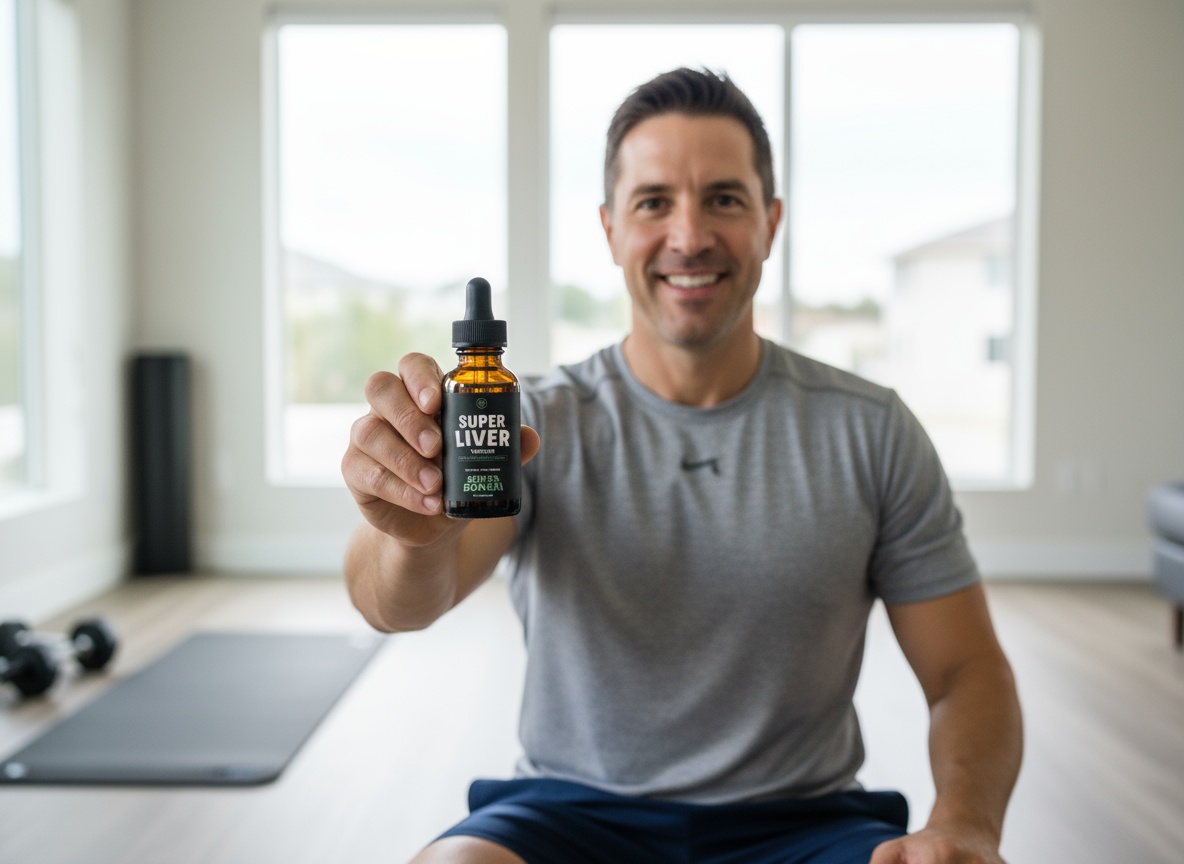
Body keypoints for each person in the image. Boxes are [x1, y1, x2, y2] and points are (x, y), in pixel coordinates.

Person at [341, 68, 1022, 864]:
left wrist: (966, 824)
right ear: (610, 230)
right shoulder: (528, 418)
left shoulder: (870, 430)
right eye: (654, 201)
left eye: (725, 199)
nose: (689, 235)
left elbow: (966, 670)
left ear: (771, 223)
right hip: (569, 818)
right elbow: (400, 604)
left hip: (804, 826)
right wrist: (411, 539)